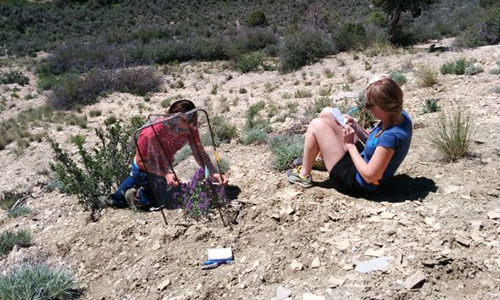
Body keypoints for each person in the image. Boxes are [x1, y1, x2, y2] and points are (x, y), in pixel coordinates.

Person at [287, 77, 412, 194]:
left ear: (384, 106)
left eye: (369, 105)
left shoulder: (391, 137)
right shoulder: (398, 116)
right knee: (328, 112)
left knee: (316, 125)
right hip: (361, 160)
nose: (367, 109)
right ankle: (323, 160)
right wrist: (356, 127)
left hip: (356, 180)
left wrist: (350, 145)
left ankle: (304, 175)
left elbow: (370, 176)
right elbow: (375, 144)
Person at [111, 99, 228, 208]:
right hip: (145, 169)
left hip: (165, 167)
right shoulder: (150, 133)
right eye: (181, 130)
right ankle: (134, 195)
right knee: (168, 198)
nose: (187, 132)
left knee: (174, 191)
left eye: (190, 128)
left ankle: (124, 192)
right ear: (172, 120)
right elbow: (141, 161)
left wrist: (212, 171)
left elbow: (199, 152)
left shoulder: (189, 127)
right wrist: (165, 174)